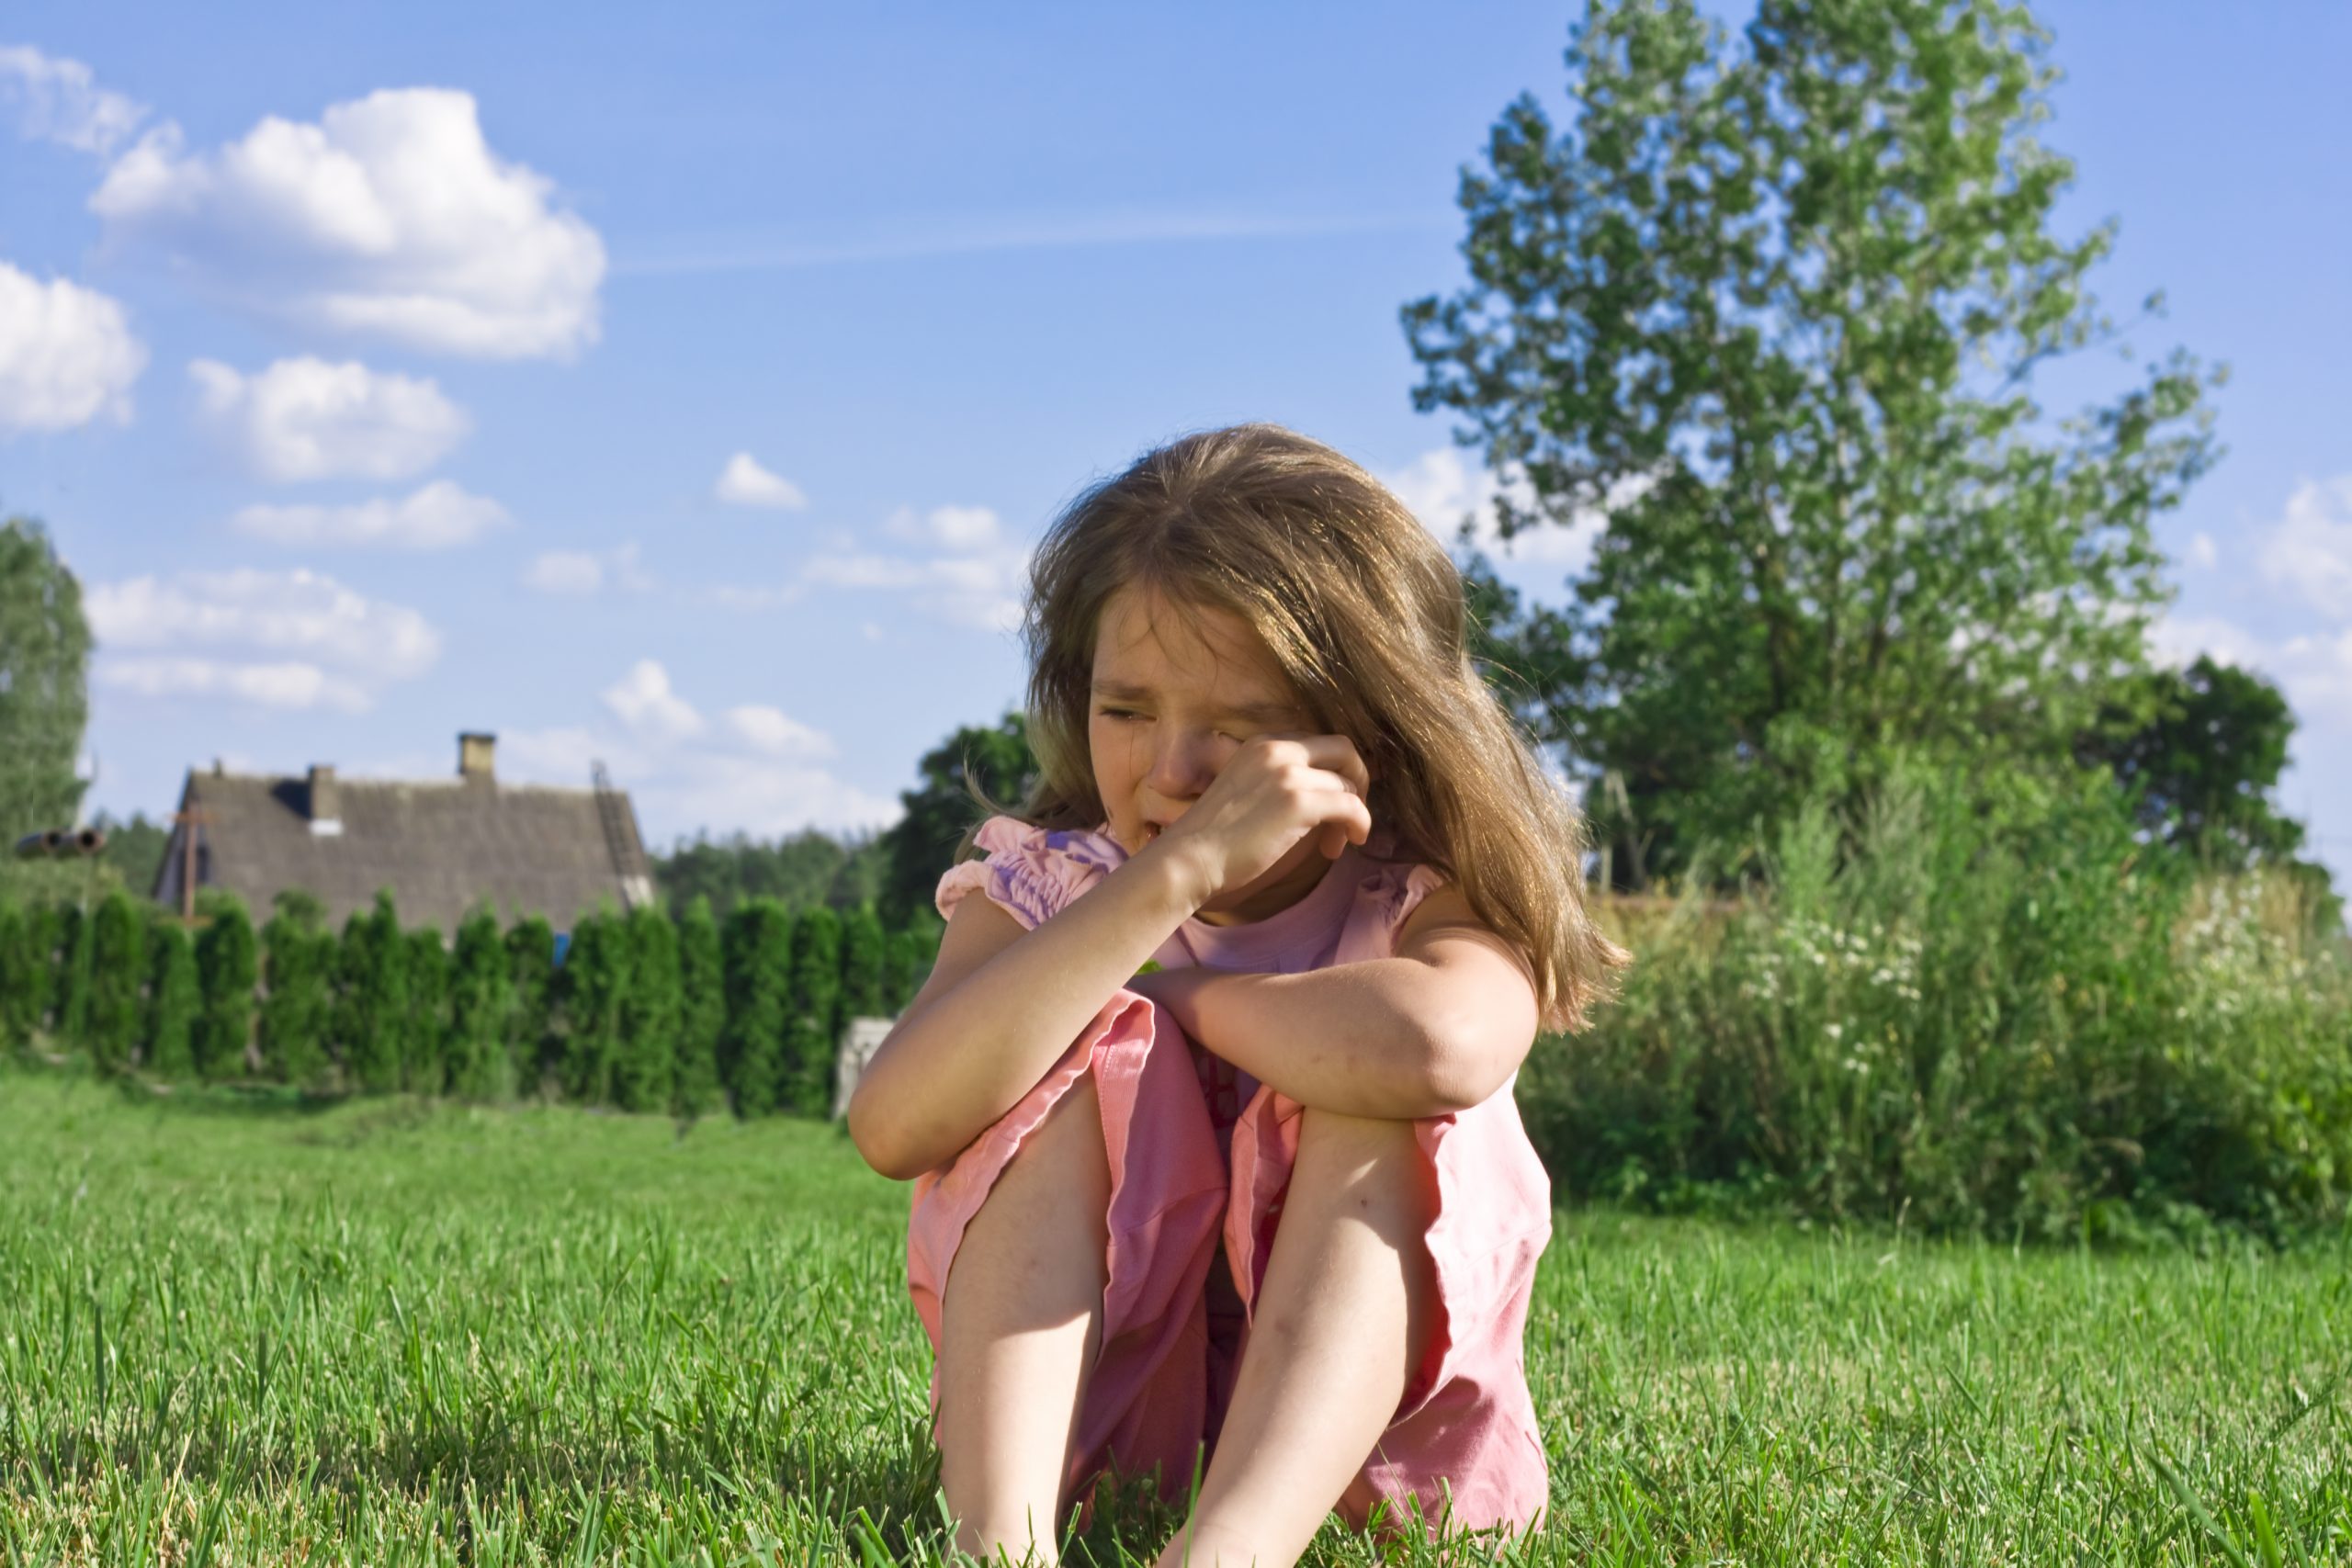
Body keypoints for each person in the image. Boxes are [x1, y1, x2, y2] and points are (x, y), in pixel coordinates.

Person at [846, 423, 1629, 1566]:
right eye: (1127, 712)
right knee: (1057, 1044)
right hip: (1091, 1442)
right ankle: (996, 1547)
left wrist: (1176, 999)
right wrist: (1169, 884)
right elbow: (894, 1122)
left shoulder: (1421, 895)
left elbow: (1445, 1047)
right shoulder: (1054, 887)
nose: (1171, 771)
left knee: (1370, 1082)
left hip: (1362, 1466)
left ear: (1362, 732)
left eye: (1238, 728)